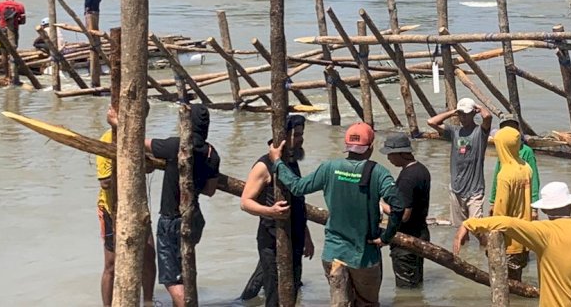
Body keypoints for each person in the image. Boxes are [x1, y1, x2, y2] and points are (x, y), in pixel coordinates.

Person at [269, 122, 404, 306]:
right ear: (370, 147)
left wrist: (277, 162)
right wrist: (387, 237)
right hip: (364, 257)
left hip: (334, 254)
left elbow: (297, 187)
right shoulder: (378, 172)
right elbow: (398, 206)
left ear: (347, 146)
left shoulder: (329, 168)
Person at [456, 182, 571, 307]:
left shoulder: (545, 232)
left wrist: (468, 224)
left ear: (545, 210)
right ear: (570, 204)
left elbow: (508, 223)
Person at [147, 103, 221, 307]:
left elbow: (139, 142)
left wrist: (116, 123)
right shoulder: (211, 154)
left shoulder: (176, 146)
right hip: (194, 217)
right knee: (185, 270)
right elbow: (210, 190)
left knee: (171, 278)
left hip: (172, 219)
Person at [239, 114, 315, 306]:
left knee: (293, 288)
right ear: (285, 135)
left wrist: (307, 235)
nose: (301, 139)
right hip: (271, 238)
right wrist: (270, 211)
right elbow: (245, 202)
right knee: (274, 293)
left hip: (295, 236)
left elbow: (298, 201)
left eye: (302, 134)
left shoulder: (291, 162)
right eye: (297, 135)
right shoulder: (264, 166)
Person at [98, 106, 157, 306]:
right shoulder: (107, 139)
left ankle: (148, 301)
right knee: (111, 264)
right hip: (111, 207)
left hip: (138, 207)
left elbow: (149, 166)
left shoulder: (138, 139)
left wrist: (143, 161)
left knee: (149, 257)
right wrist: (131, 164)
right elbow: (105, 181)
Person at [462, 126, 531, 280]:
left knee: (503, 283)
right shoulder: (525, 168)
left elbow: (500, 213)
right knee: (517, 281)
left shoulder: (505, 175)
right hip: (524, 237)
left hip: (508, 242)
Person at [427, 97, 492, 226]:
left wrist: (479, 108)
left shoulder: (480, 132)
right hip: (456, 189)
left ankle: (483, 246)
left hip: (475, 191)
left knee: (477, 228)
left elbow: (488, 117)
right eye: (461, 114)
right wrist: (452, 112)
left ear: (473, 113)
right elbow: (431, 122)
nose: (463, 118)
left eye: (466, 114)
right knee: (459, 229)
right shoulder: (454, 132)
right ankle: (465, 247)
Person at [379, 134, 431, 288]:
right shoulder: (421, 169)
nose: (388, 158)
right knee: (416, 284)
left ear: (402, 153)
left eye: (390, 154)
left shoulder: (407, 178)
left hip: (407, 240)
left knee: (406, 289)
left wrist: (382, 205)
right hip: (420, 233)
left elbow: (404, 215)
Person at [488, 114, 541, 219]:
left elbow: (534, 180)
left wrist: (534, 207)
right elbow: (496, 177)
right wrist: (492, 201)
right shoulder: (503, 152)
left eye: (512, 127)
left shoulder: (527, 152)